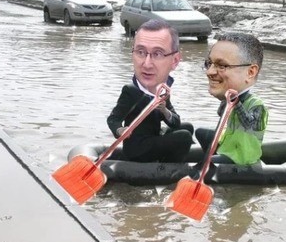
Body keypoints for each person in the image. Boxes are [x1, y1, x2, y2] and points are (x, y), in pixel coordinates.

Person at [107, 19, 194, 163]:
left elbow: (176, 122)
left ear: (174, 61)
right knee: (184, 137)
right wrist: (120, 130)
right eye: (141, 52)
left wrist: (165, 111)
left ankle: (168, 163)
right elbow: (113, 119)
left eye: (157, 54)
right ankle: (168, 168)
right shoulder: (131, 91)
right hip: (137, 147)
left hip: (153, 138)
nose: (147, 64)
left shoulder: (162, 91)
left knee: (187, 127)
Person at [195, 33, 268, 166]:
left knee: (206, 164)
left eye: (222, 65)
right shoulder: (230, 98)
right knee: (201, 133)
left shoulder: (257, 105)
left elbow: (248, 124)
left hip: (242, 157)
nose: (209, 72)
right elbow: (220, 113)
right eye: (209, 63)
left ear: (250, 72)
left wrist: (236, 103)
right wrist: (224, 100)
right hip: (229, 147)